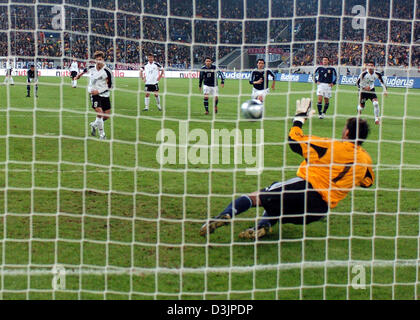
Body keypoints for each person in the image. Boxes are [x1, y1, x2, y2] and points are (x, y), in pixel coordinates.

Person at [200, 98, 375, 240]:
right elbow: (368, 183)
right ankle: (263, 226)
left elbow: (294, 139)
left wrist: (299, 117)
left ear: (346, 133)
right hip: (320, 211)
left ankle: (224, 216)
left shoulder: (330, 146)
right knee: (278, 205)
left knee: (257, 197)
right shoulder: (365, 160)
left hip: (306, 189)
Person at [75, 51, 113, 140]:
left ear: (103, 60)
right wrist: (78, 76)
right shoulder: (91, 68)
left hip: (105, 94)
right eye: (97, 60)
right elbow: (84, 71)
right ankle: (102, 135)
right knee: (99, 113)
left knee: (106, 116)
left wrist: (99, 90)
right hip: (94, 94)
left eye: (100, 59)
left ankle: (94, 124)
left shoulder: (108, 71)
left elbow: (110, 86)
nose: (98, 61)